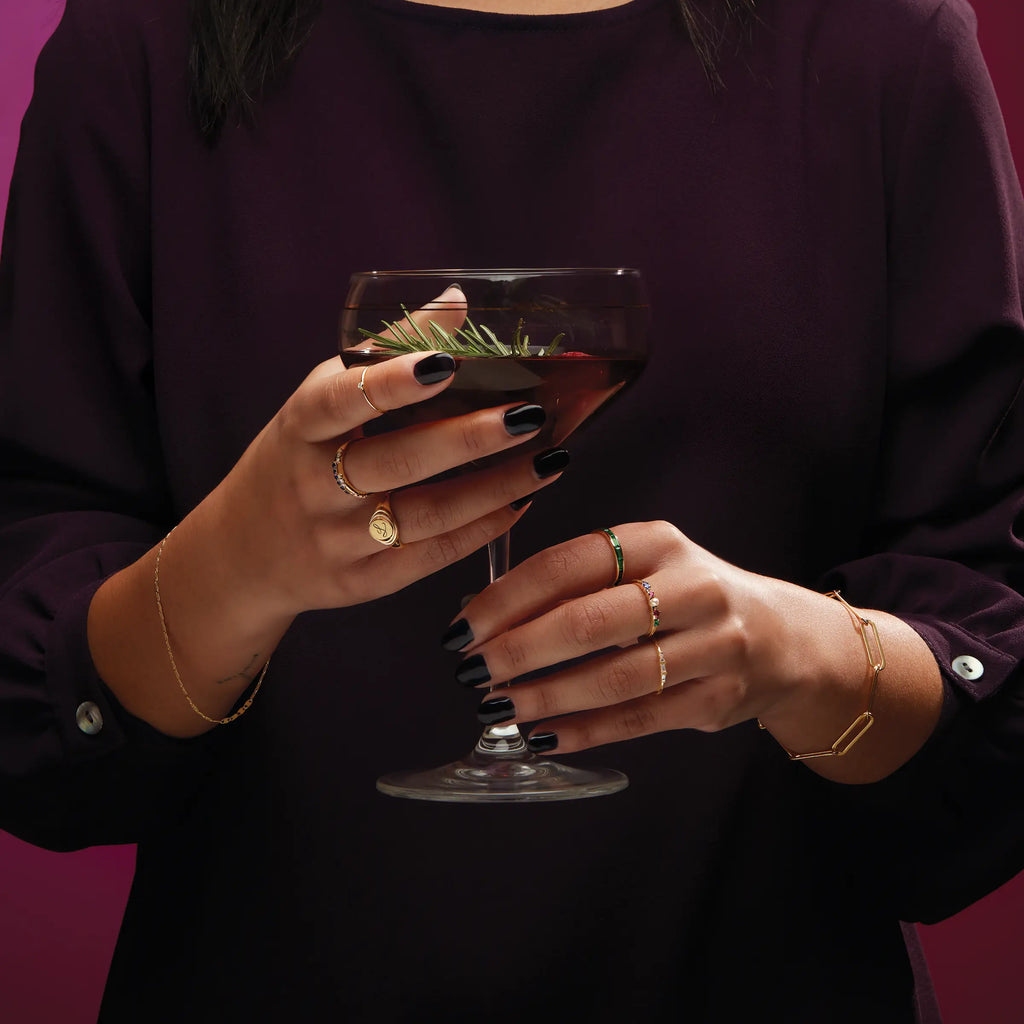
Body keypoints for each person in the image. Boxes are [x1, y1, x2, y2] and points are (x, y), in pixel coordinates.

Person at [1, 0, 1022, 1019]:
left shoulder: (883, 41)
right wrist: (228, 570)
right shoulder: (135, 42)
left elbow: (991, 690)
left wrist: (802, 656)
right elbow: (39, 732)